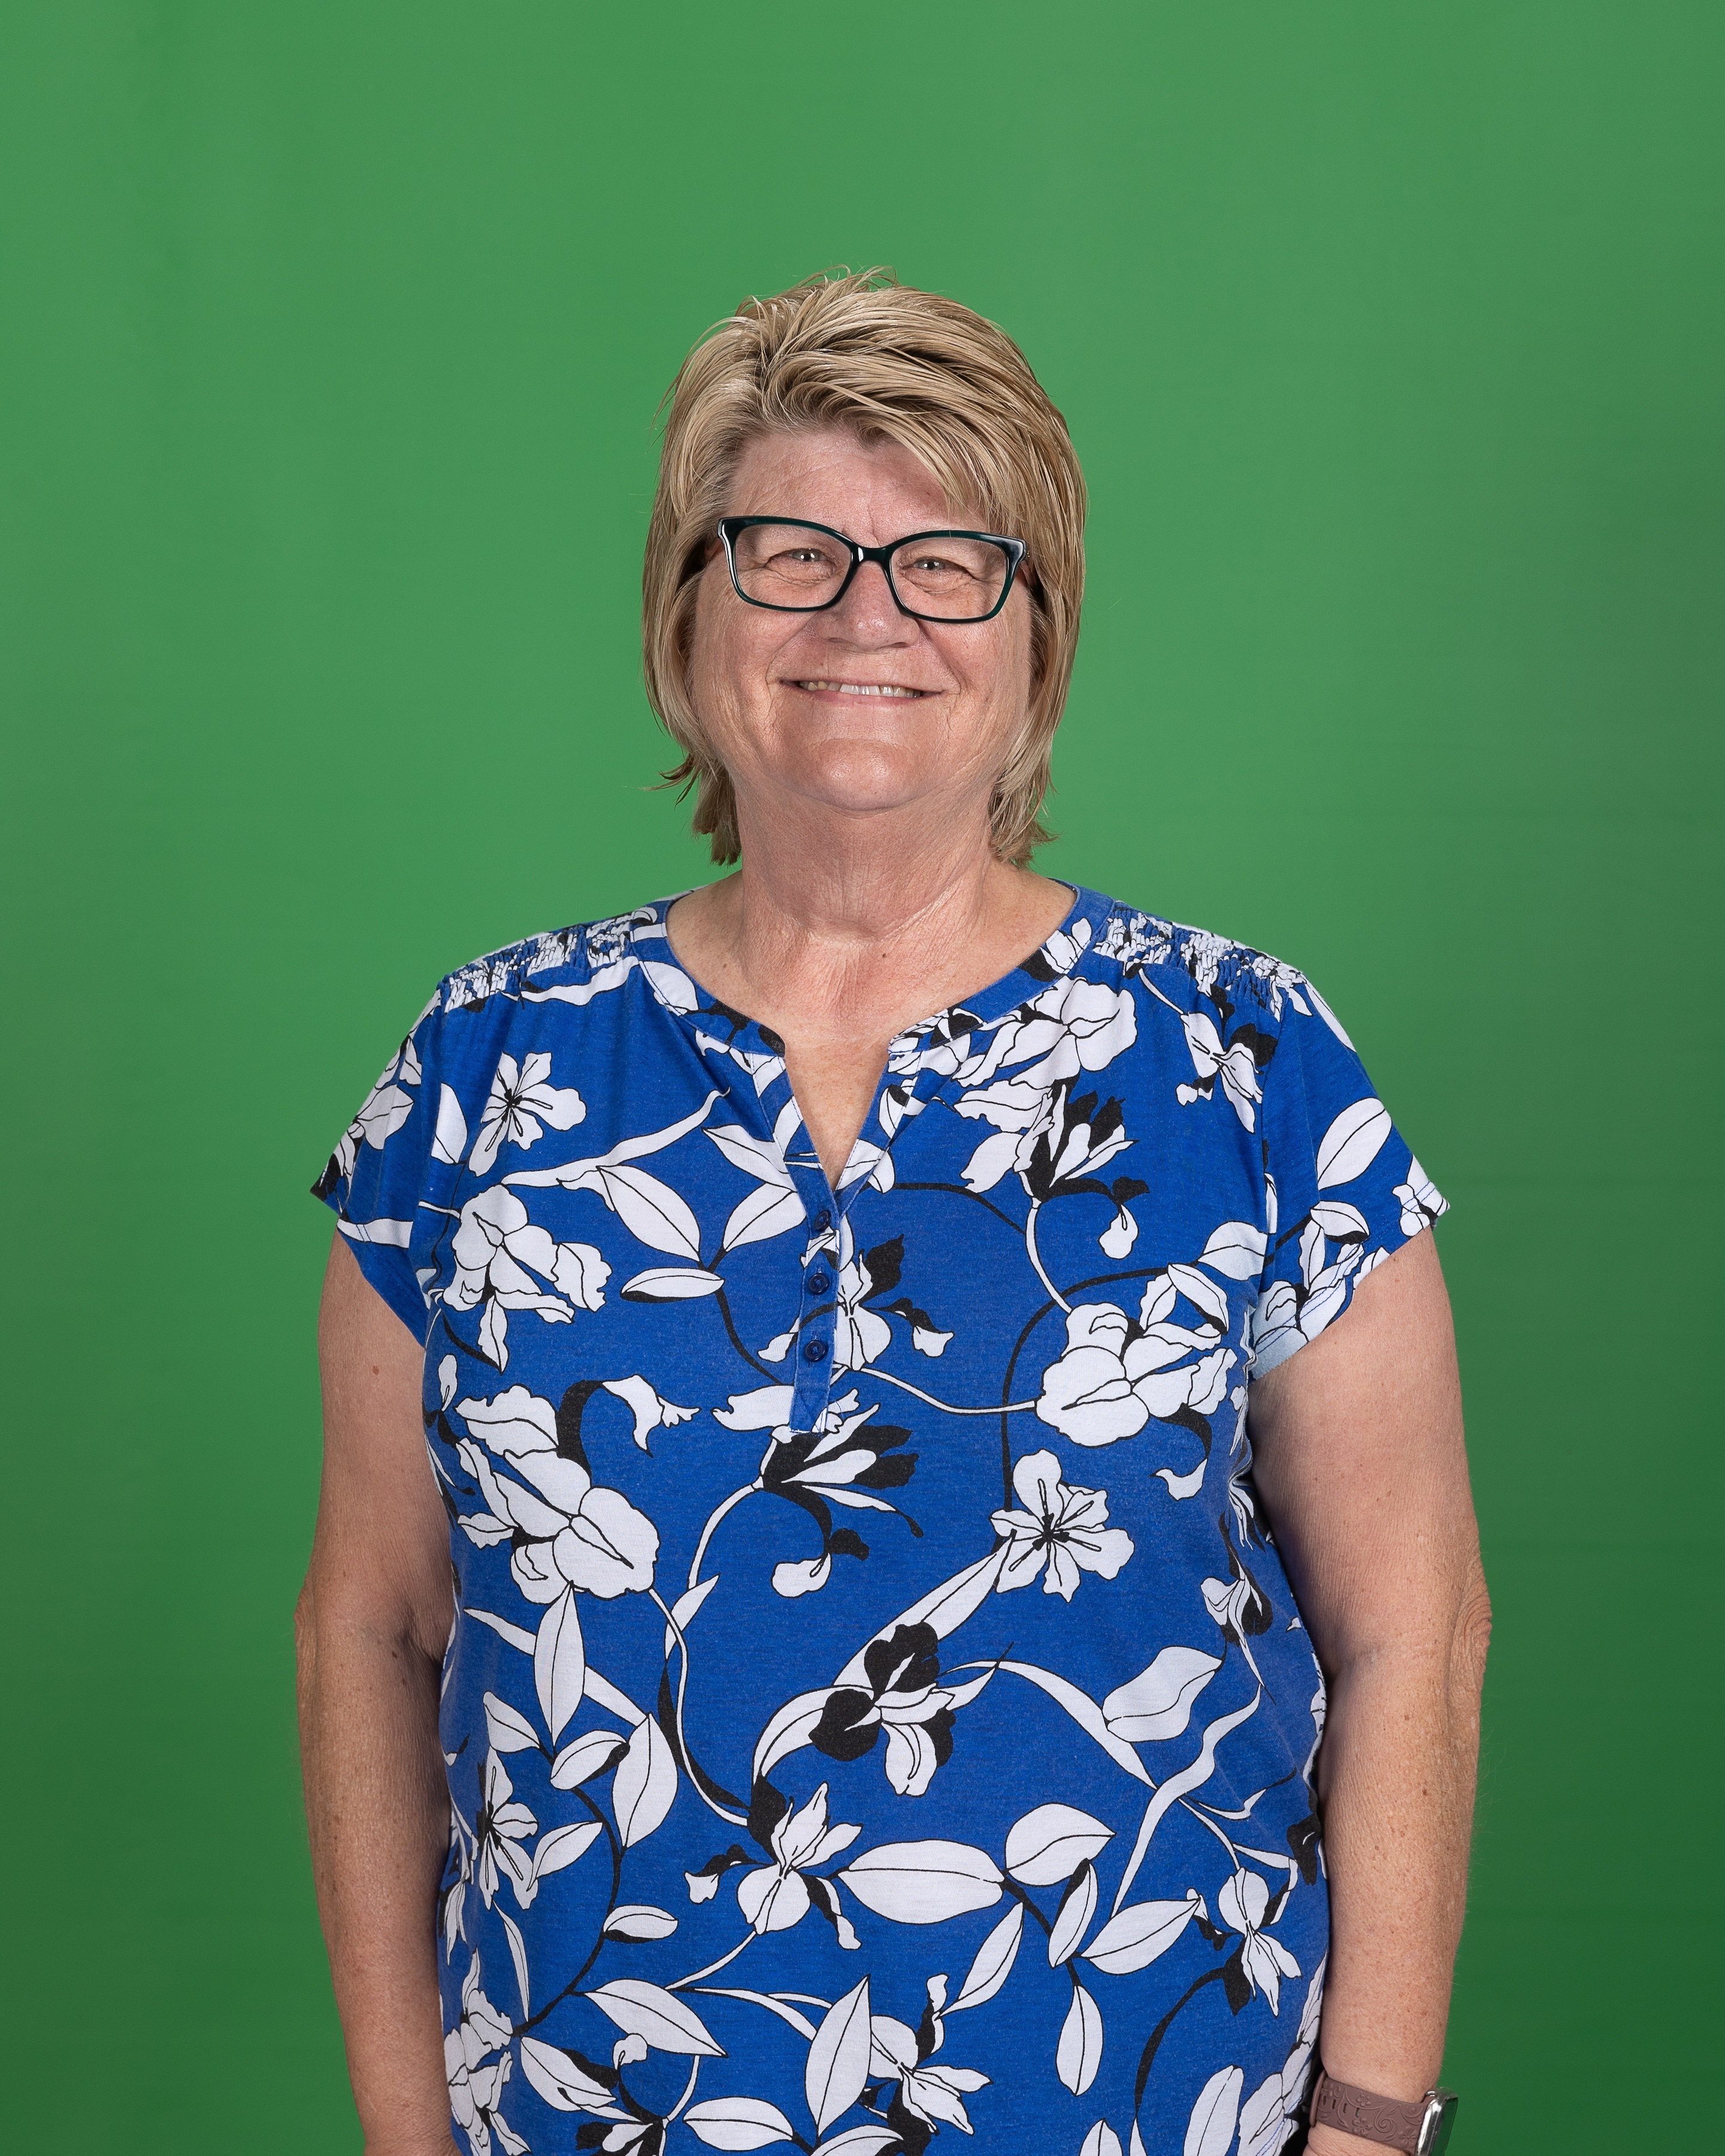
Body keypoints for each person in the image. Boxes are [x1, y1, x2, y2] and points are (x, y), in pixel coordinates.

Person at [298, 269, 1490, 2156]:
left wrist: (1366, 2123)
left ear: (1036, 636)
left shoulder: (1249, 1065)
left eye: (949, 563)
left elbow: (1414, 1627)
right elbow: (370, 1630)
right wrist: (399, 2130)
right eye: (791, 554)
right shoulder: (486, 1072)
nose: (867, 617)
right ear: (688, 614)